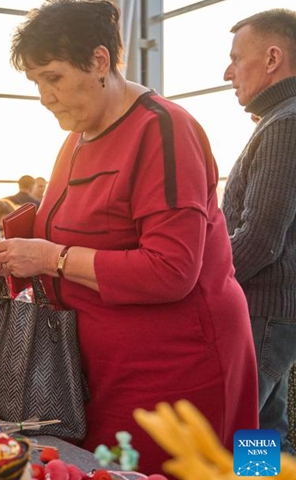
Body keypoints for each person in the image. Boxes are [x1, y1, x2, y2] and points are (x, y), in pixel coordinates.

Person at [0, 0, 258, 474]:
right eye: (36, 83)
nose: (45, 97)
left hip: (179, 369)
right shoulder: (76, 136)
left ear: (99, 61)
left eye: (53, 77)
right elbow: (66, 233)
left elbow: (171, 270)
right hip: (100, 371)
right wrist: (17, 254)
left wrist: (50, 258)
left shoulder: (164, 129)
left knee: (222, 466)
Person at [222, 8, 296, 455]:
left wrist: (202, 282)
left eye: (236, 59)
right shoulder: (281, 120)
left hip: (261, 312)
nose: (227, 73)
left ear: (272, 58)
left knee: (241, 434)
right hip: (271, 313)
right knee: (263, 433)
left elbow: (260, 239)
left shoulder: (285, 124)